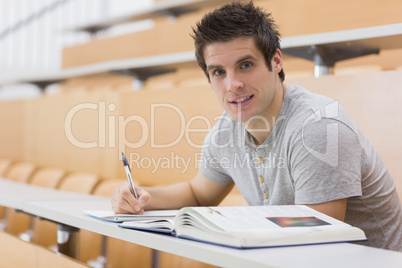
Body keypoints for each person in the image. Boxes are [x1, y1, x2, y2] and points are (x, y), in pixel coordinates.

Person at [111, 2, 402, 251]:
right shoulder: (226, 132)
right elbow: (197, 194)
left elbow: (317, 237)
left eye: (245, 65)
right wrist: (141, 198)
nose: (233, 84)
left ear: (275, 61)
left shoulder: (318, 127)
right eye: (218, 72)